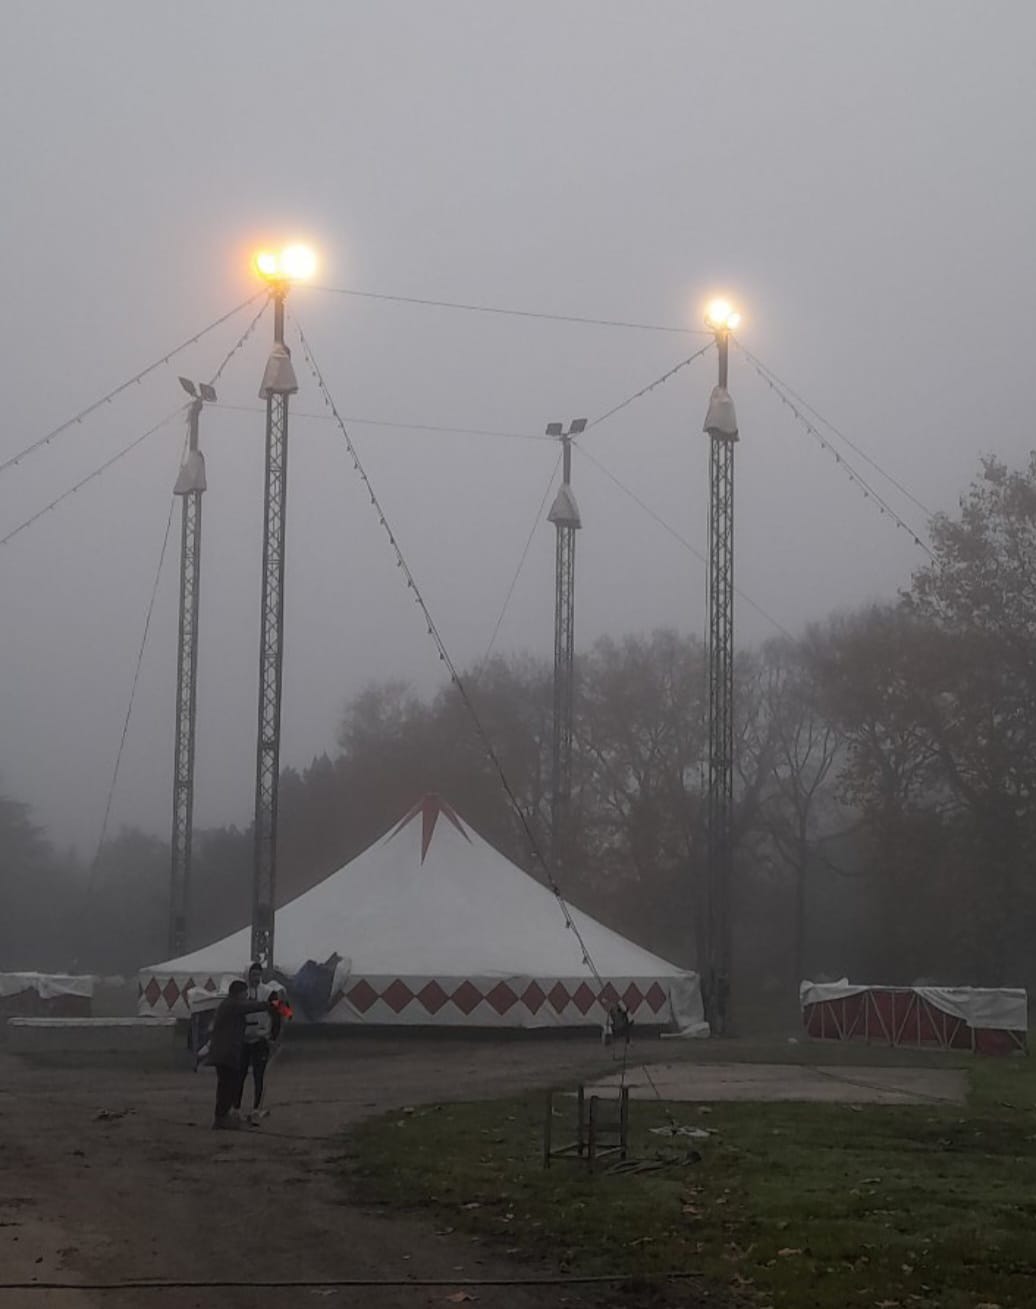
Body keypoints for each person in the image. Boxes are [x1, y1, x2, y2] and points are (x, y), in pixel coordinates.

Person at [208, 980, 275, 1130]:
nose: (246, 995)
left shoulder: (228, 1004)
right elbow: (250, 1007)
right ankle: (221, 1117)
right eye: (244, 993)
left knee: (227, 1084)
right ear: (239, 993)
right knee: (228, 1085)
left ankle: (223, 1115)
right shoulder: (233, 1004)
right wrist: (270, 1005)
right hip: (226, 1052)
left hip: (224, 1051)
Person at [235, 962, 283, 1126]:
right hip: (243, 1039)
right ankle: (236, 1107)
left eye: (258, 975)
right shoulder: (240, 993)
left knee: (259, 1075)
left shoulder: (269, 992)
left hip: (261, 1038)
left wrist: (274, 1036)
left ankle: (256, 1107)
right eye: (252, 975)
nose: (255, 978)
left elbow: (281, 1012)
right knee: (239, 1075)